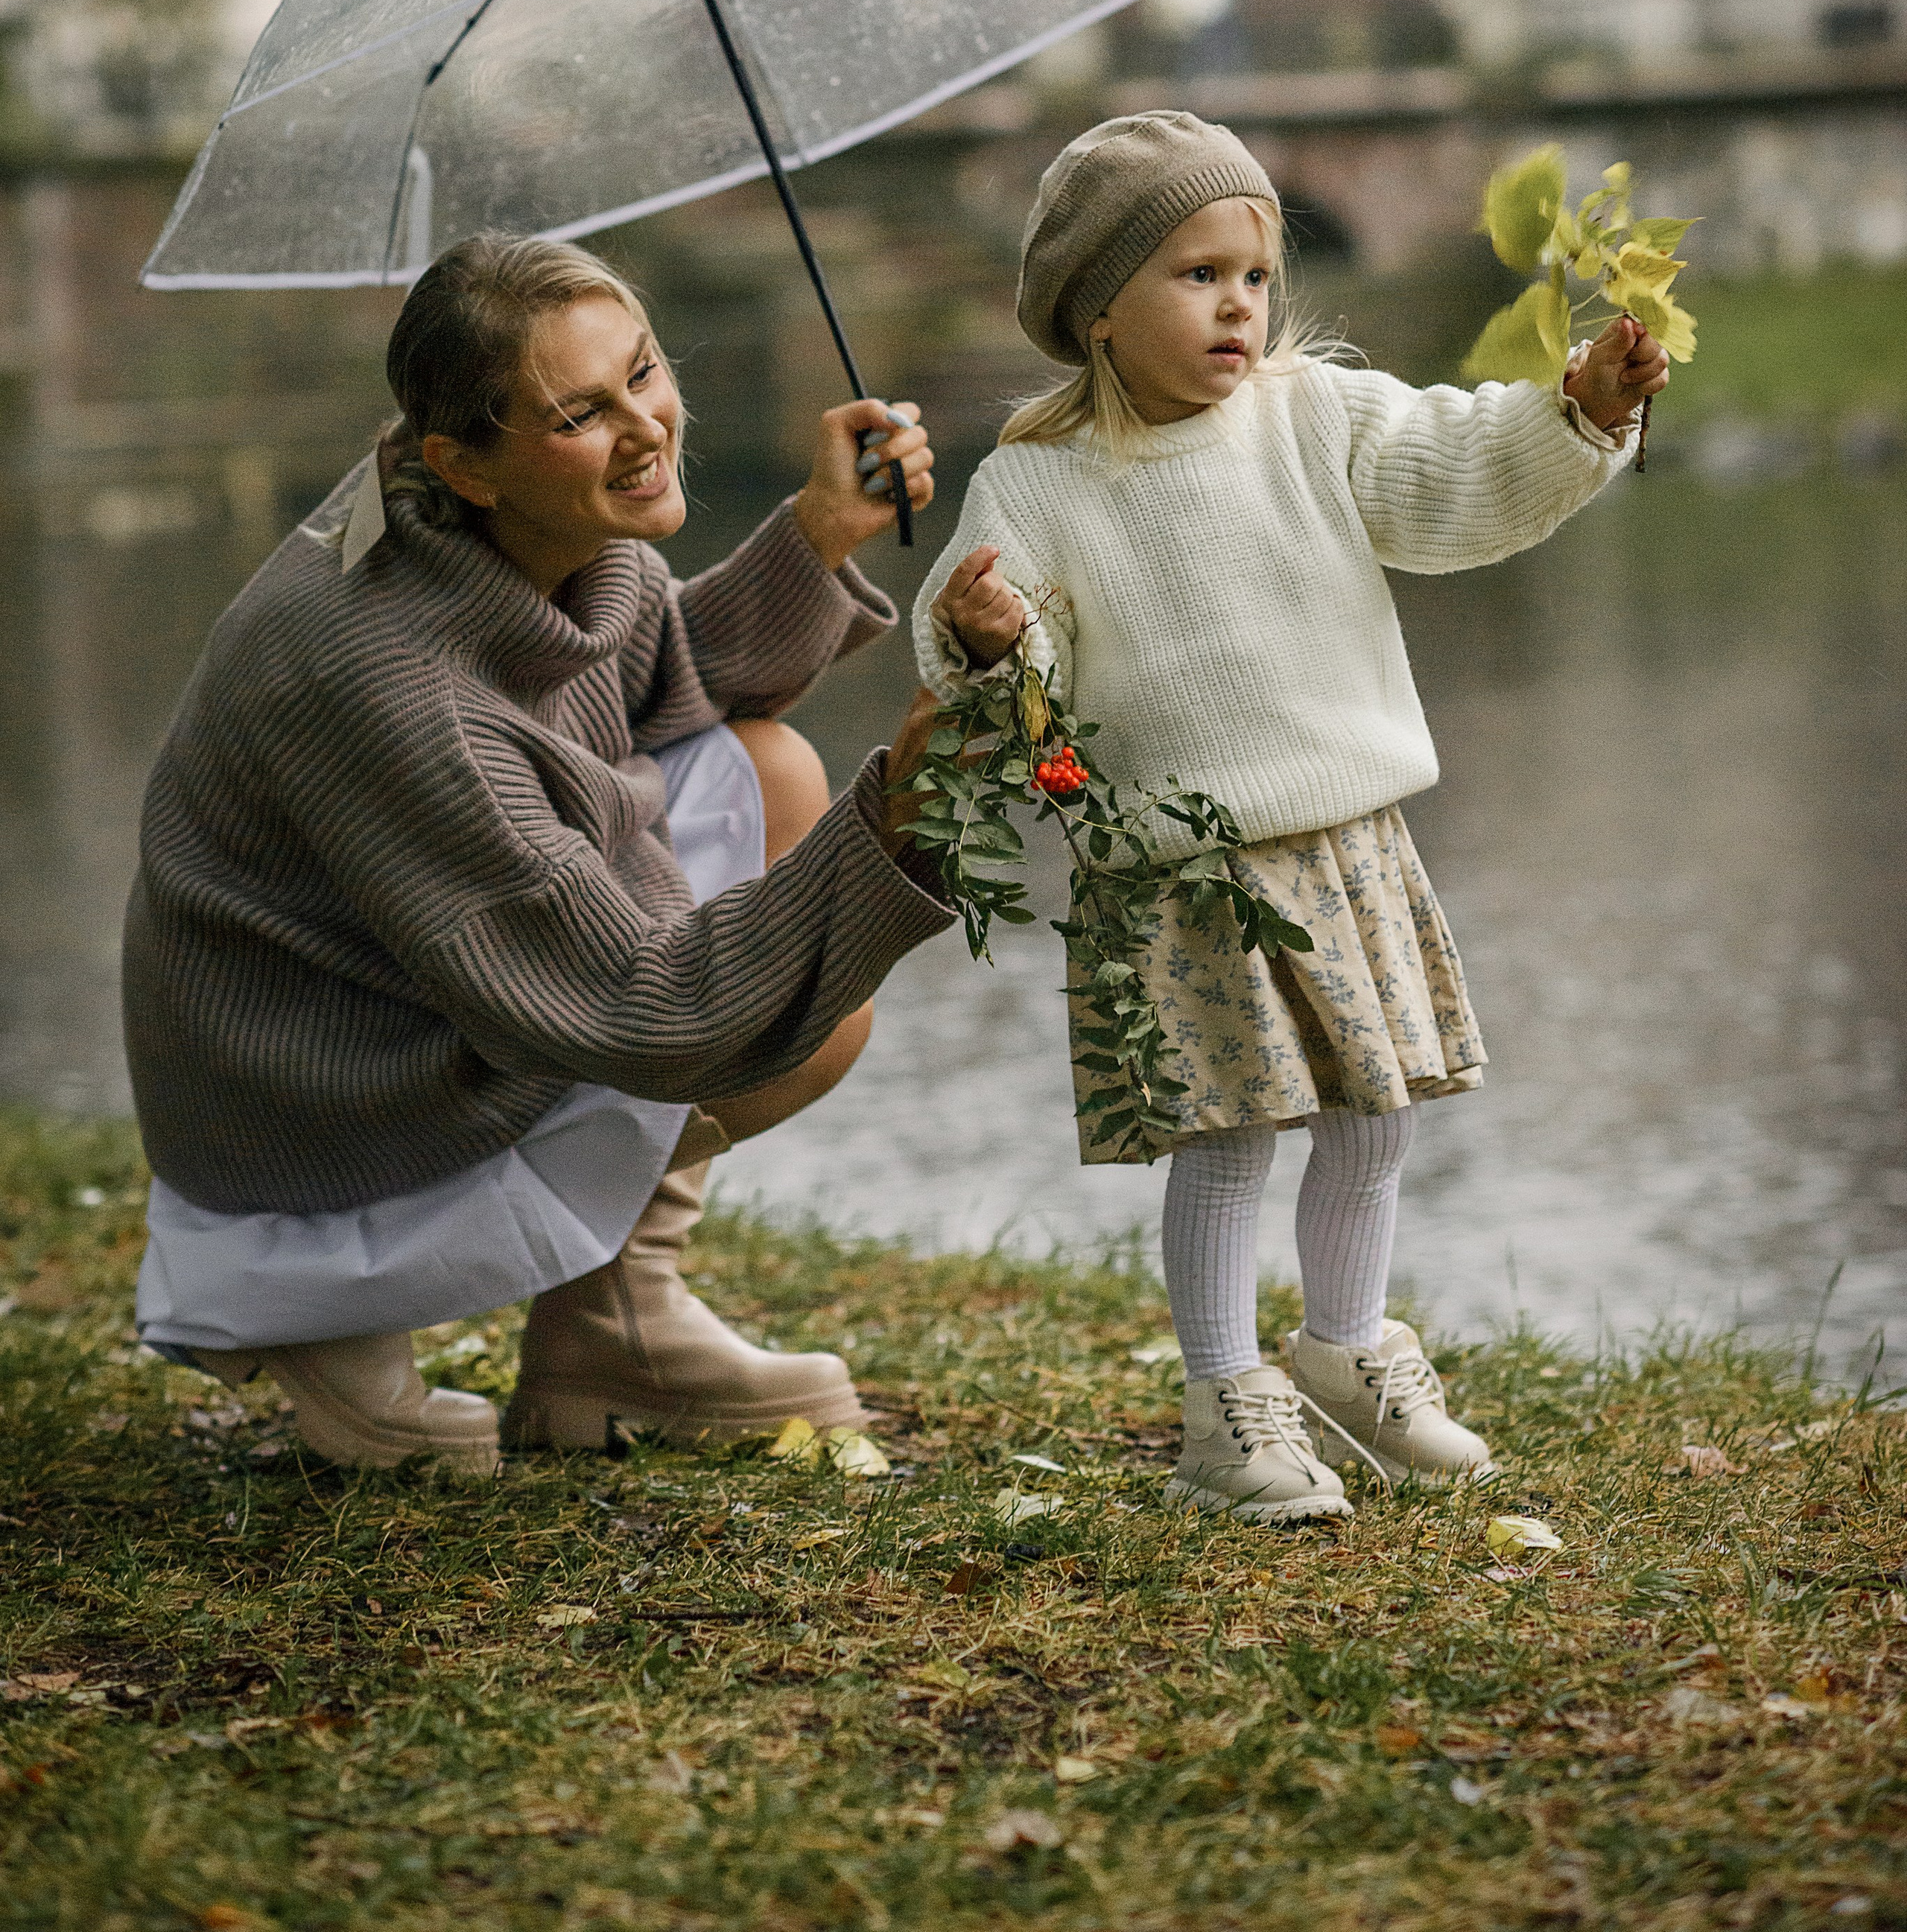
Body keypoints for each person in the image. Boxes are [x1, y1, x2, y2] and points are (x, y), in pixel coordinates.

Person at [914, 112, 1669, 1525]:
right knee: (1228, 1137)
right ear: (1096, 311)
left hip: (1346, 834)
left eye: (1254, 273)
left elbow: (1461, 464)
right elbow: (1021, 696)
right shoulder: (1038, 484)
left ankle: (1345, 1344)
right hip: (1178, 863)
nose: (1239, 305)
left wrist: (1580, 406)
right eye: (1195, 275)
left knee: (1375, 1115)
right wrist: (986, 637)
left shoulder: (1315, 415)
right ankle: (1224, 1403)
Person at [125, 230, 951, 1476]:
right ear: (463, 459)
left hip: (412, 971)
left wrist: (819, 530)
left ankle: (613, 1323)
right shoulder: (397, 683)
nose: (645, 427)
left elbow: (645, 681)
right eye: (581, 411)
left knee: (769, 769)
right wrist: (893, 821)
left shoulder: (492, 515)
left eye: (645, 372)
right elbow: (649, 1010)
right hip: (311, 1088)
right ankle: (332, 1318)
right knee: (813, 1010)